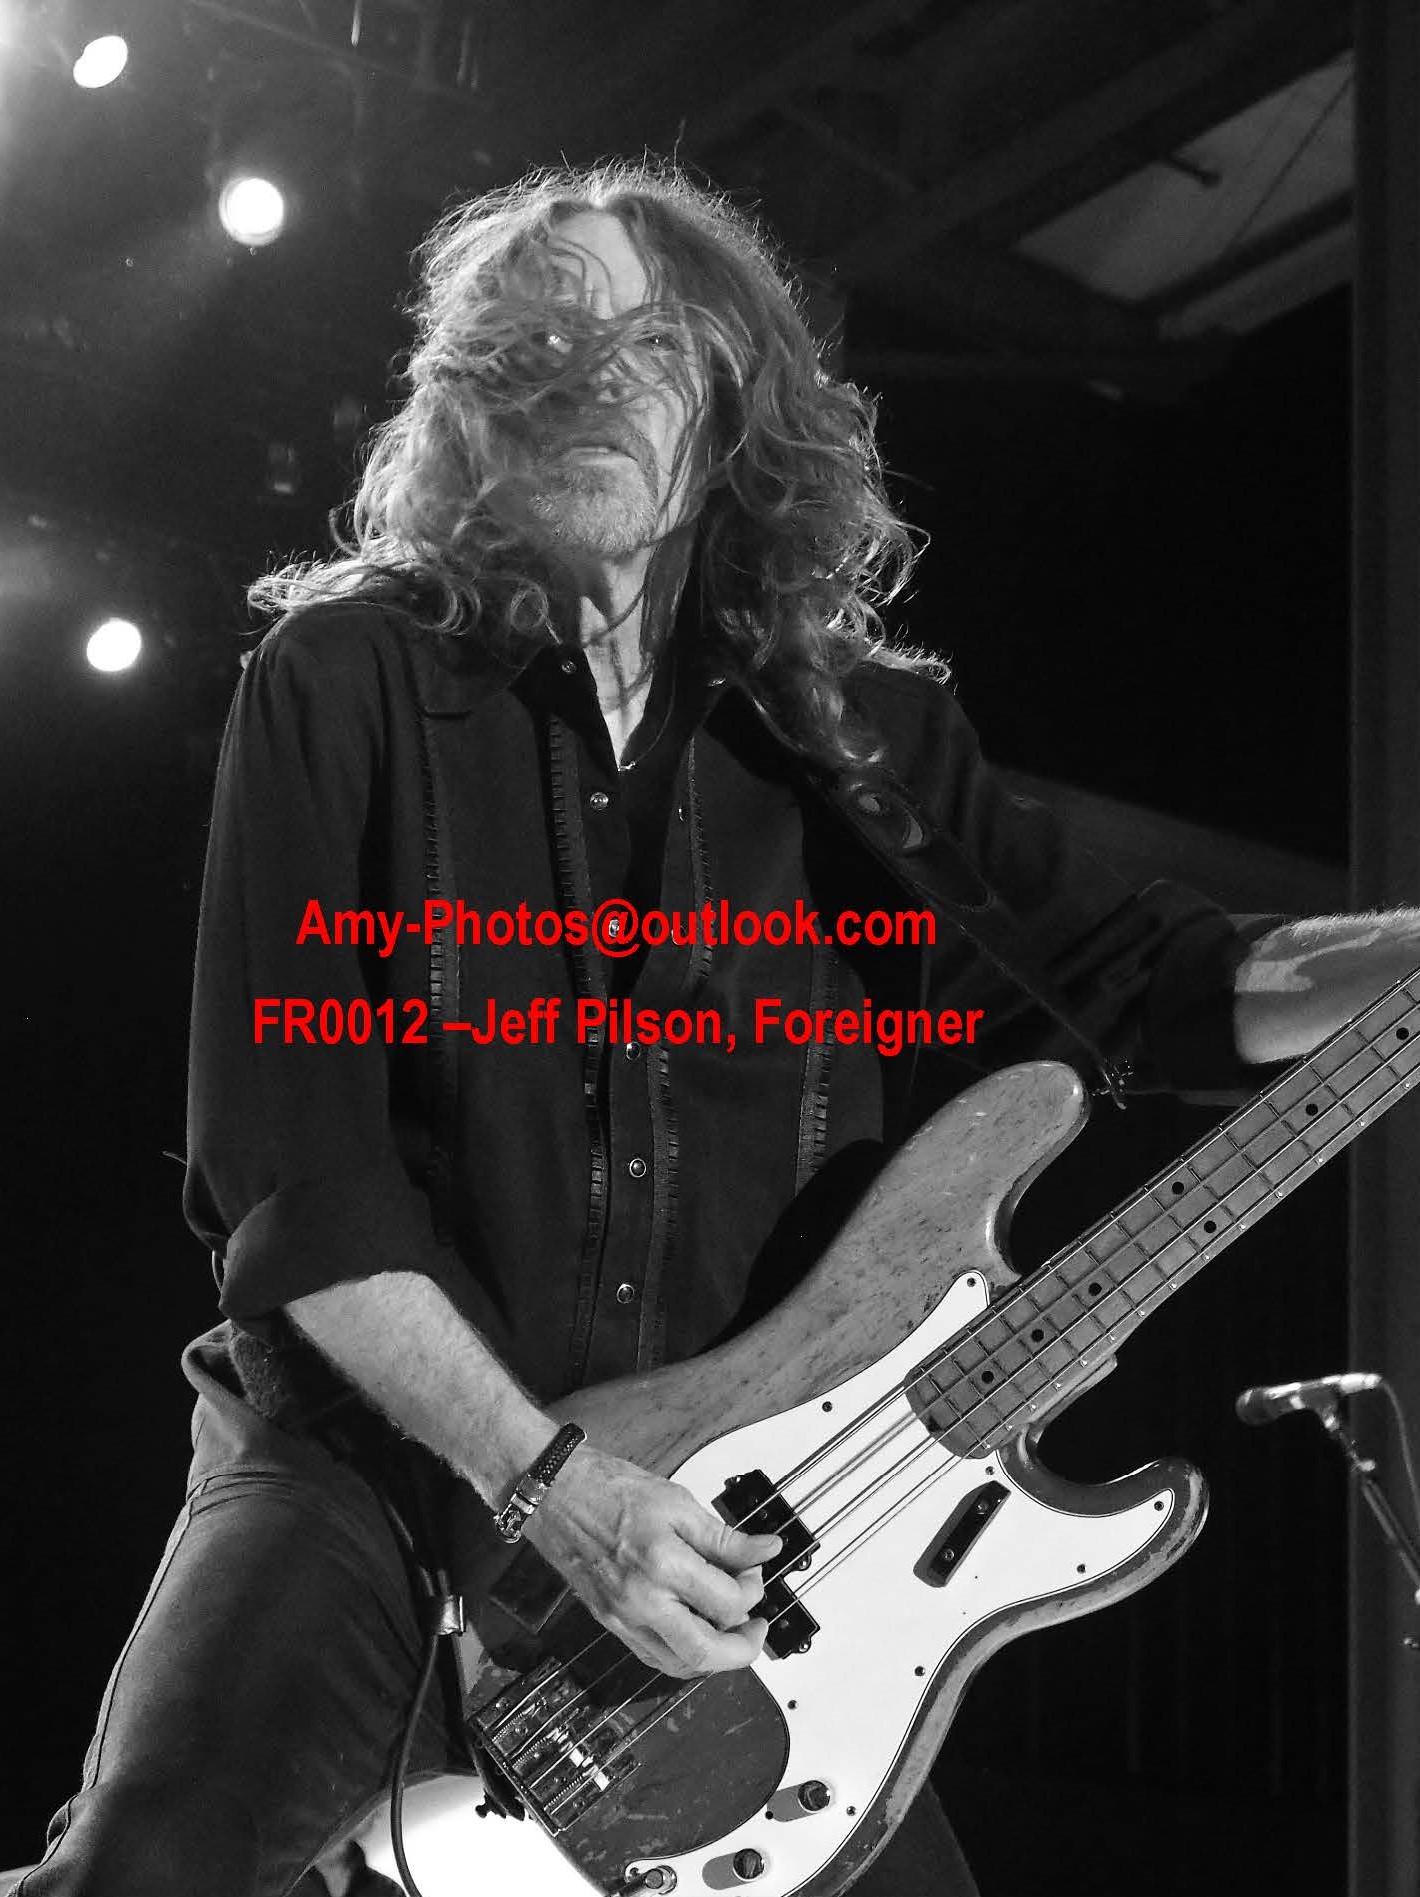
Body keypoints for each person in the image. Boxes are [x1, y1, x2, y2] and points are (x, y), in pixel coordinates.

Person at [17, 159, 1420, 1897]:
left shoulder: (862, 733)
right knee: (154, 1861)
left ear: (735, 392)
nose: (584, 386)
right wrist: (550, 1485)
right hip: (370, 1480)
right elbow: (295, 1178)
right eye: (533, 353)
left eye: (641, 349)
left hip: (740, 1516)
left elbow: (1161, 979)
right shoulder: (343, 677)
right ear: (469, 406)